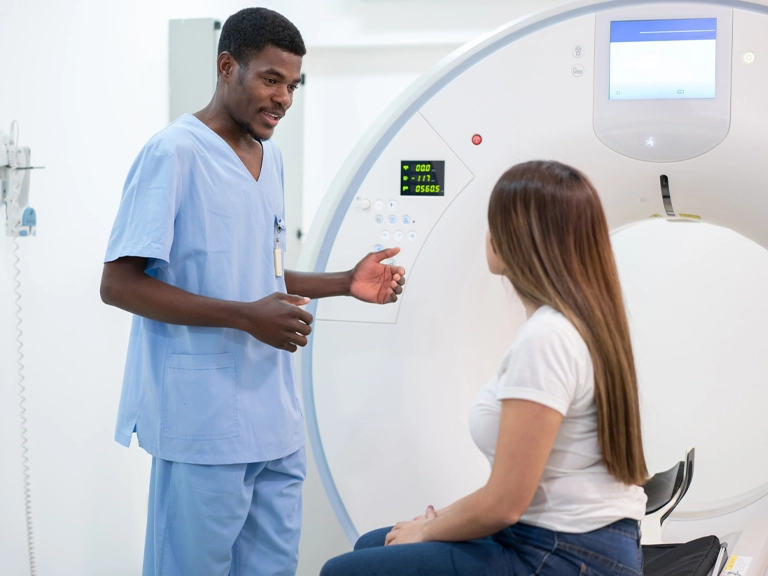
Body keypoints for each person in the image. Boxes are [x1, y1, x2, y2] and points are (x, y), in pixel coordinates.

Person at [99, 8, 405, 576]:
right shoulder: (174, 153)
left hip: (274, 423)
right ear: (226, 68)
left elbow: (258, 275)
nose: (285, 97)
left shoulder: (272, 159)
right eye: (271, 79)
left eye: (292, 84)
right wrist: (245, 317)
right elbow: (118, 284)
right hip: (204, 424)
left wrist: (342, 282)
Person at [320, 160, 648, 576]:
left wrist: (427, 532)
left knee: (341, 572)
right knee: (373, 545)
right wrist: (432, 523)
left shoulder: (547, 339)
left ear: (516, 238)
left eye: (494, 223)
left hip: (563, 553)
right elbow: (514, 493)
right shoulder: (579, 322)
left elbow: (506, 502)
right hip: (573, 539)